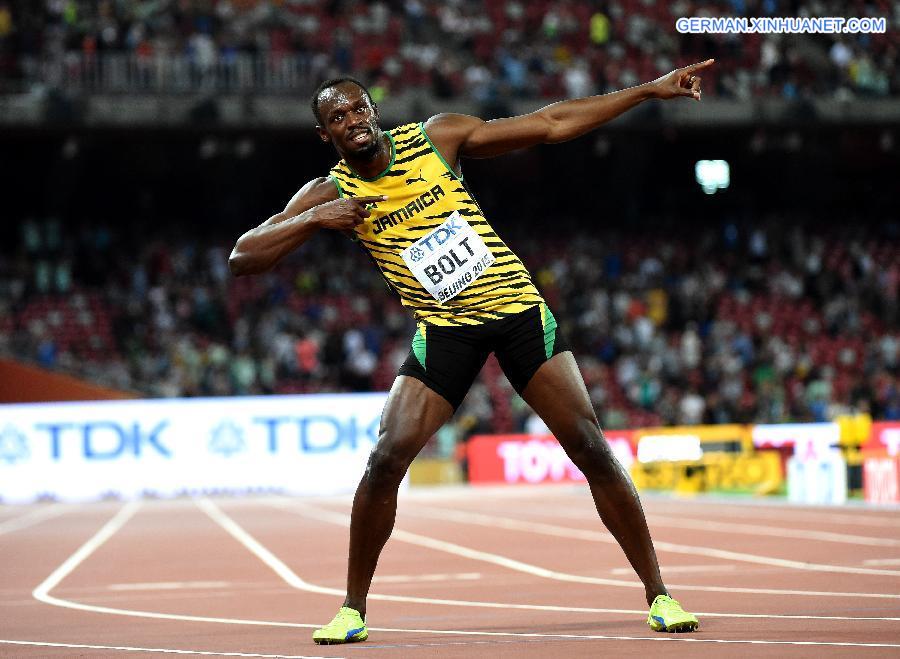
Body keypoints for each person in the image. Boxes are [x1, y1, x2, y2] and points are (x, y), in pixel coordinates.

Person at [229, 59, 714, 644]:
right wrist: (315, 219)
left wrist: (647, 92)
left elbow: (551, 124)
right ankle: (352, 609)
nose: (353, 120)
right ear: (325, 135)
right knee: (386, 458)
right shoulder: (329, 191)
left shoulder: (437, 137)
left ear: (374, 112)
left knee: (589, 444)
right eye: (338, 117)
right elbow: (244, 255)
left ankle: (659, 594)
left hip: (516, 312)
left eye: (359, 108)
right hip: (444, 329)